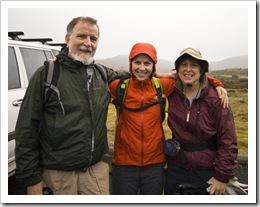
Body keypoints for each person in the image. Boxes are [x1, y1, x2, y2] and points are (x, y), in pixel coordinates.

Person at [14, 16, 129, 195]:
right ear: (68, 39)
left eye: (94, 39)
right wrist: (32, 178)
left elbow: (128, 75)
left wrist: (162, 75)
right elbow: (26, 127)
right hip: (58, 173)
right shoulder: (47, 74)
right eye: (81, 36)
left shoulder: (100, 73)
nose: (88, 43)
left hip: (95, 171)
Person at [108, 43, 229, 195]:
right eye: (137, 62)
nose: (142, 68)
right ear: (130, 63)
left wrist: (217, 84)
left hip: (155, 164)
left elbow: (192, 75)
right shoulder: (118, 87)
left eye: (147, 63)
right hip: (124, 163)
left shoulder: (162, 85)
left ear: (154, 66)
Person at [163, 47, 238, 195]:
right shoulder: (171, 93)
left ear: (202, 70)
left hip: (207, 171)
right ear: (177, 70)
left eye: (194, 65)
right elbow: (145, 74)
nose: (188, 69)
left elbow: (228, 139)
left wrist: (221, 176)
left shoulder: (216, 99)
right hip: (176, 167)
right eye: (183, 65)